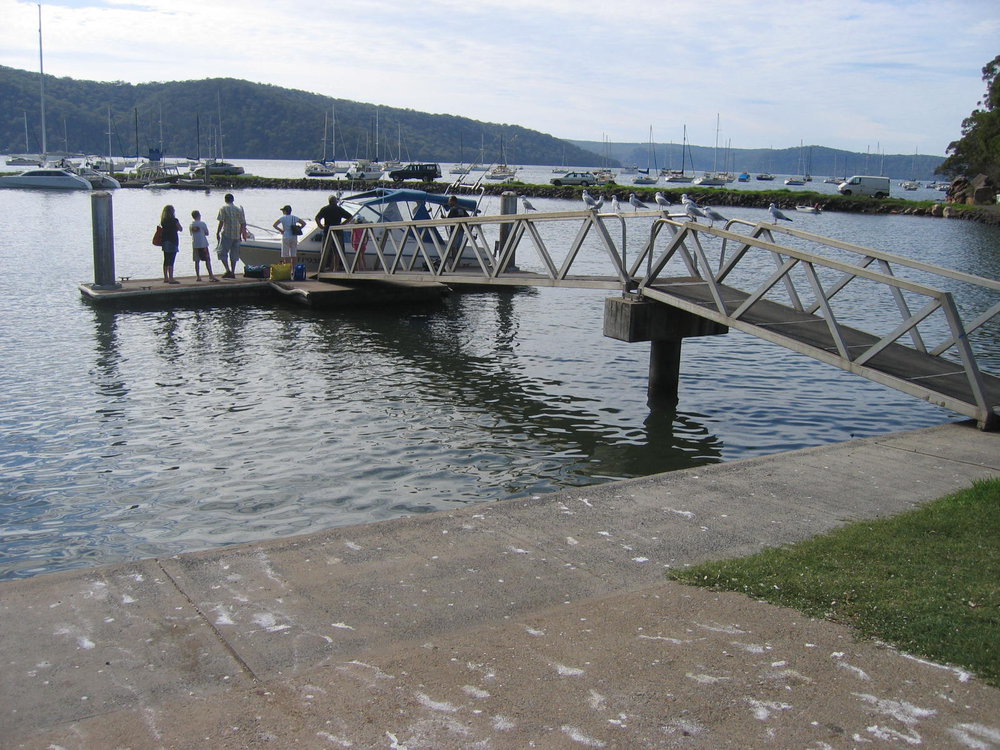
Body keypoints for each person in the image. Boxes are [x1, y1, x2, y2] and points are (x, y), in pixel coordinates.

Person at [315, 195, 352, 270]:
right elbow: (350, 217)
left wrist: (320, 226)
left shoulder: (325, 209)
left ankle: (324, 267)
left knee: (325, 249)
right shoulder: (339, 209)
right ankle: (336, 267)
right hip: (338, 230)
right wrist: (342, 224)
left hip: (328, 229)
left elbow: (317, 218)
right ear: (335, 201)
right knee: (337, 250)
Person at [216, 193, 246, 278]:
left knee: (222, 252)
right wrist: (241, 234)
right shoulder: (238, 209)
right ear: (233, 200)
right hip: (236, 235)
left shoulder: (223, 208)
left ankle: (227, 270)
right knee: (234, 254)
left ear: (225, 200)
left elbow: (221, 221)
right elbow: (243, 223)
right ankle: (233, 271)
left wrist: (217, 232)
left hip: (227, 234)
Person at [189, 210, 218, 281]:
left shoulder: (191, 225)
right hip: (203, 244)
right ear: (199, 215)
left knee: (197, 261)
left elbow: (191, 234)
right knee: (207, 260)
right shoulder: (202, 224)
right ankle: (211, 275)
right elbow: (207, 233)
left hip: (195, 244)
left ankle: (198, 276)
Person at [158, 204, 182, 284]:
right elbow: (180, 228)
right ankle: (171, 278)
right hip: (173, 241)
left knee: (166, 259)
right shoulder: (174, 220)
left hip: (164, 241)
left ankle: (166, 277)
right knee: (172, 260)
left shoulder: (163, 221)